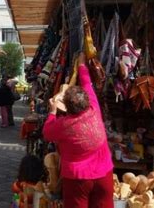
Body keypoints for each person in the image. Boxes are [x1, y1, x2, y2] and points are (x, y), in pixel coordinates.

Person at [43, 52, 114, 208]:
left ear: (67, 107)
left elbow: (47, 132)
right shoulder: (94, 108)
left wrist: (53, 111)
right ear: (86, 101)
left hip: (78, 179)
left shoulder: (63, 124)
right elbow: (87, 83)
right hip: (104, 174)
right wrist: (82, 64)